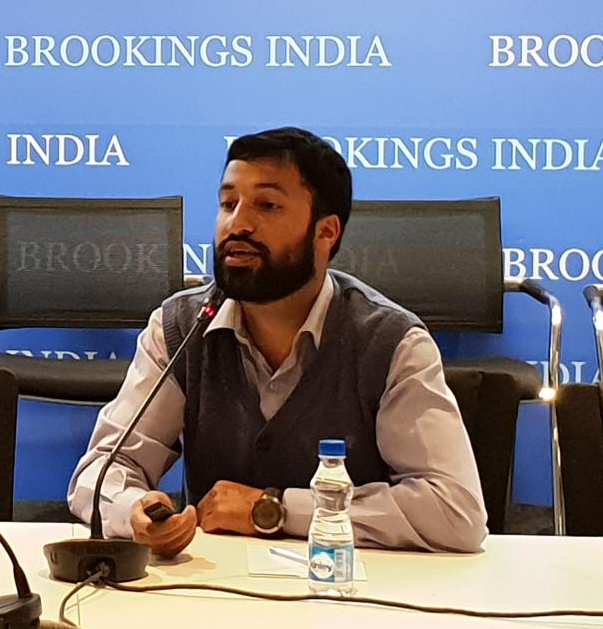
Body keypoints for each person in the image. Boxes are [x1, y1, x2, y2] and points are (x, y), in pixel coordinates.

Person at [68, 127, 487, 557]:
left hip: (351, 587)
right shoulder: (181, 327)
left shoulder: (391, 342)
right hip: (214, 586)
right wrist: (133, 512)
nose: (237, 225)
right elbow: (100, 473)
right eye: (228, 203)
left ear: (326, 233)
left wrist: (274, 510)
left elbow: (455, 512)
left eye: (267, 205)